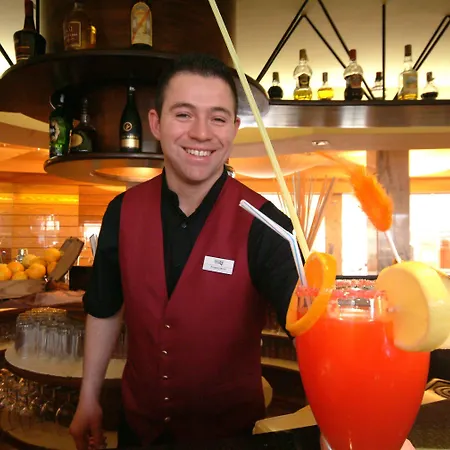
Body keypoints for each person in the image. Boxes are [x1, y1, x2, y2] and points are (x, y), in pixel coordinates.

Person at [69, 52, 299, 449]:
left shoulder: (268, 225)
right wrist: (88, 397)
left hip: (230, 439)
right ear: (156, 123)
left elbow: (308, 330)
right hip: (138, 431)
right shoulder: (121, 211)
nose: (201, 133)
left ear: (235, 128)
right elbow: (104, 308)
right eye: (184, 114)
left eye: (218, 118)